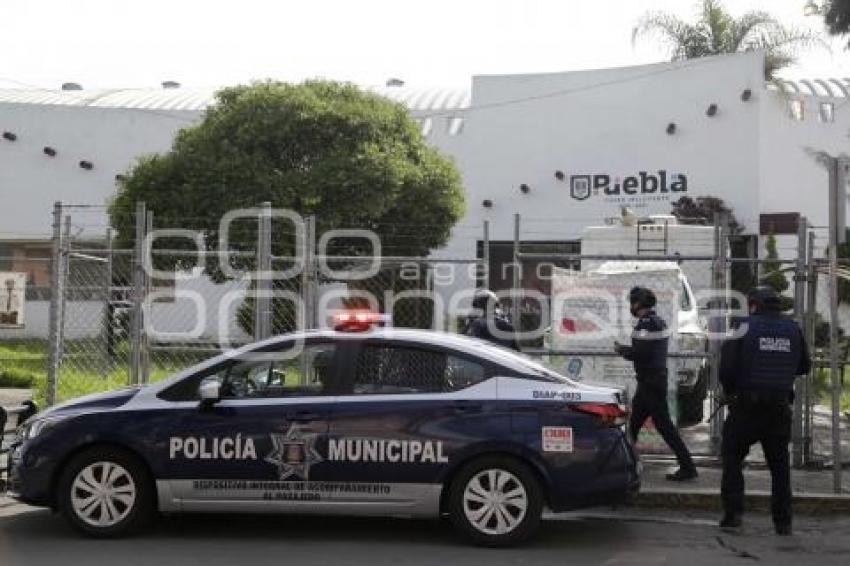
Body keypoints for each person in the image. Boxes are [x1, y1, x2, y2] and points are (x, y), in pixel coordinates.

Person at [718, 285, 810, 536]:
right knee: (780, 466)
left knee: (732, 460)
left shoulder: (743, 326)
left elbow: (726, 368)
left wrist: (730, 391)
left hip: (745, 407)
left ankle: (733, 515)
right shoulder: (793, 329)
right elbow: (805, 366)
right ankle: (783, 522)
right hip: (779, 408)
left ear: (754, 305)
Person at [615, 286, 698, 481]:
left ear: (638, 304)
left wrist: (622, 350)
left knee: (664, 427)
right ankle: (622, 463)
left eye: (633, 303)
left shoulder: (647, 324)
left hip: (651, 383)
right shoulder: (656, 321)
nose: (631, 306)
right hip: (649, 382)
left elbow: (642, 353)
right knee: (633, 425)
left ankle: (688, 467)